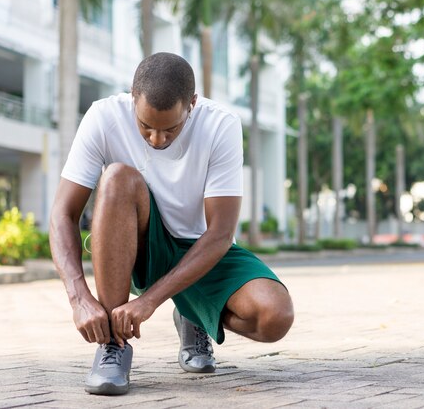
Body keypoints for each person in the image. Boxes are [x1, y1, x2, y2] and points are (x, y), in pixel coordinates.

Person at [50, 52, 294, 396]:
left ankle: (192, 313)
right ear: (133, 97)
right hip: (139, 244)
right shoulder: (103, 116)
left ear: (192, 104)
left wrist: (149, 301)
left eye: (170, 129)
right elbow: (63, 214)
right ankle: (112, 345)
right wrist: (79, 298)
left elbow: (221, 233)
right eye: (146, 126)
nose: (156, 140)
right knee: (118, 177)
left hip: (202, 248)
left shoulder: (221, 124)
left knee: (274, 317)